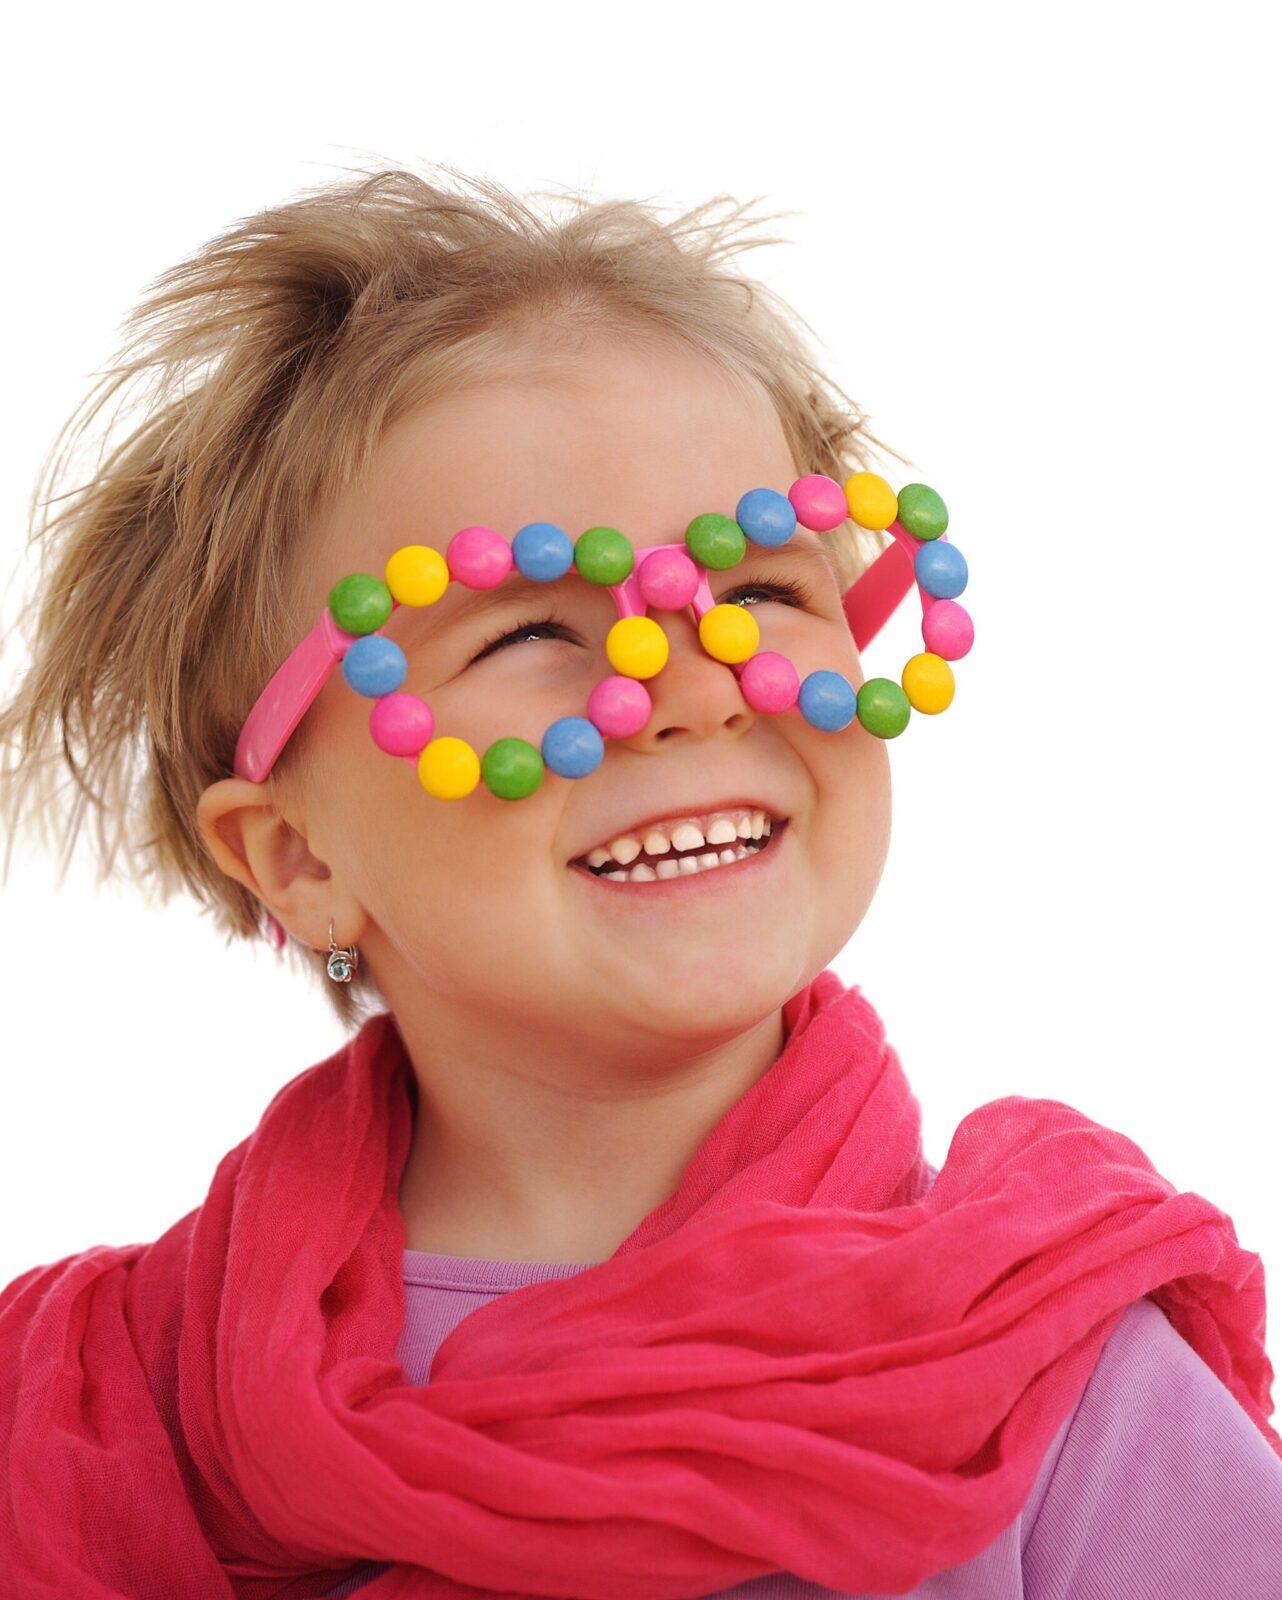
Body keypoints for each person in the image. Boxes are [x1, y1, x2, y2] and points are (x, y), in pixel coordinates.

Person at [1, 166, 1278, 1599]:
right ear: (297, 858)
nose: (688, 695)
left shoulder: (1043, 1356)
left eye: (758, 594)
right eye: (533, 627)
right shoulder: (107, 1410)